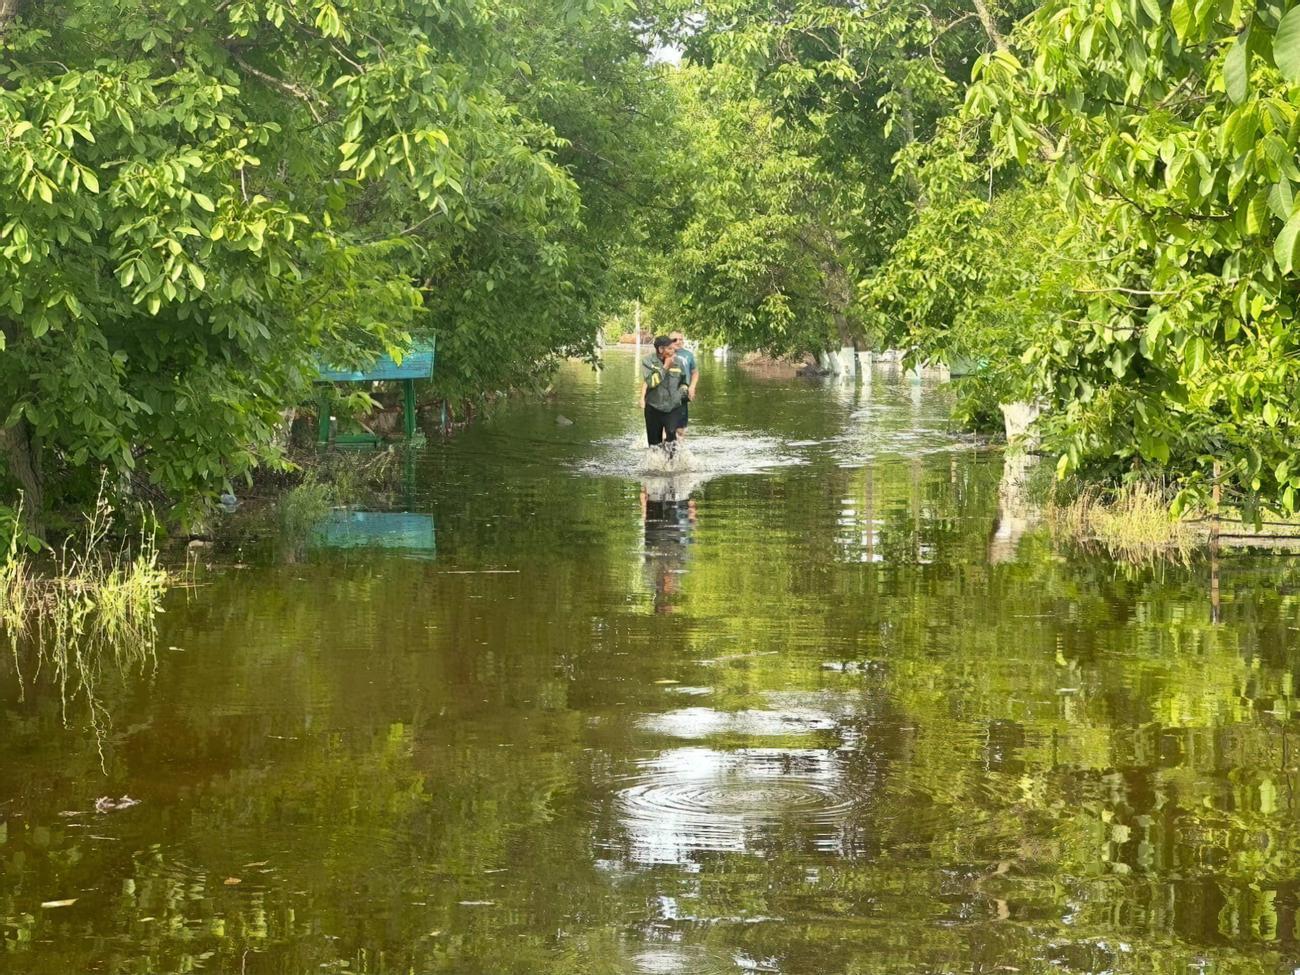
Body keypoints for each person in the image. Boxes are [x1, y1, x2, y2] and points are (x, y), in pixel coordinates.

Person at [639, 335, 689, 447]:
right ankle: (657, 458)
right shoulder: (647, 361)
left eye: (673, 348)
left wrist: (684, 391)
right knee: (654, 445)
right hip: (653, 407)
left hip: (673, 407)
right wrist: (665, 367)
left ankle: (671, 458)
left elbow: (684, 381)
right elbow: (651, 382)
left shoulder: (678, 362)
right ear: (661, 349)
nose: (673, 350)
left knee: (672, 438)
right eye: (669, 348)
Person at [669, 331, 698, 442]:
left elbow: (695, 372)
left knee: (680, 429)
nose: (678, 341)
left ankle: (679, 449)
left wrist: (692, 387)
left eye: (680, 339)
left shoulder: (688, 355)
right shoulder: (664, 353)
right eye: (675, 339)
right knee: (666, 426)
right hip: (667, 394)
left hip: (682, 393)